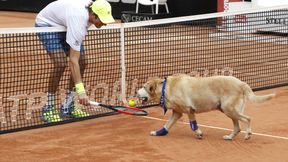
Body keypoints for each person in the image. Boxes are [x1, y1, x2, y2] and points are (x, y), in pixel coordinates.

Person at [35, 0, 115, 123]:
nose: (105, 23)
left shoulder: (88, 12)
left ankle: (68, 106)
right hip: (47, 24)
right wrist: (81, 92)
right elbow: (72, 60)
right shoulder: (78, 20)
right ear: (93, 15)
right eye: (103, 20)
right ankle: (48, 107)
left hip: (65, 23)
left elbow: (76, 59)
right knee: (60, 63)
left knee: (82, 61)